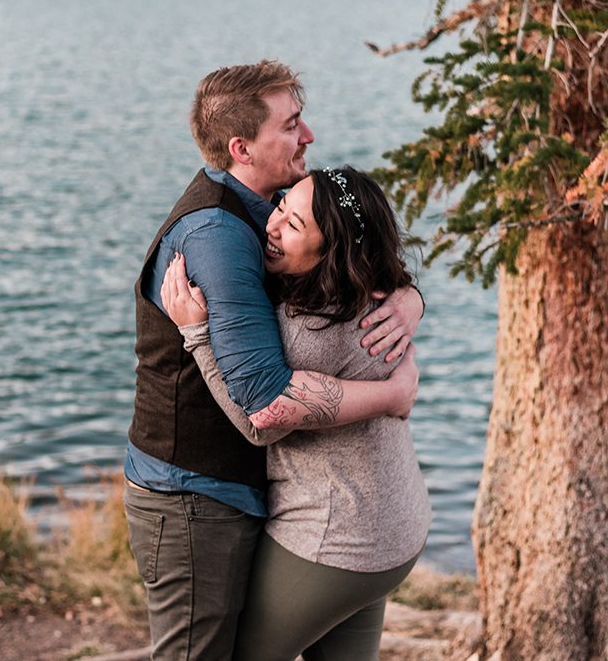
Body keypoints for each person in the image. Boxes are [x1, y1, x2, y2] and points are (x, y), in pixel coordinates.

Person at [125, 61, 424, 661]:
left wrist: (411, 299)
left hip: (302, 510)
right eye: (291, 125)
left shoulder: (277, 213)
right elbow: (266, 407)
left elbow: (354, 239)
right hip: (195, 493)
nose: (308, 136)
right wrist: (393, 390)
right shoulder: (219, 235)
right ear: (242, 147)